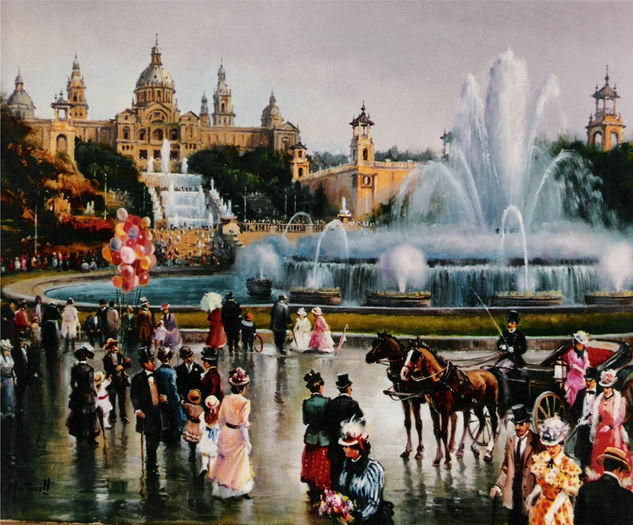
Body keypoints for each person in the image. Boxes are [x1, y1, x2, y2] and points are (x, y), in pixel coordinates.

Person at [490, 404, 544, 525]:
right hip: (513, 492)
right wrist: (498, 487)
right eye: (515, 424)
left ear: (528, 425)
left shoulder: (537, 442)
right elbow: (506, 467)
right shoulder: (510, 440)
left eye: (520, 424)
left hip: (529, 494)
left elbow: (542, 473)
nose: (517, 427)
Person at [207, 367, 254, 499]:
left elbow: (221, 419)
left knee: (225, 460)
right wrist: (247, 442)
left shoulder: (226, 399)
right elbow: (243, 424)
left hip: (226, 432)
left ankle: (224, 488)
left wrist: (223, 432)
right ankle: (237, 489)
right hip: (238, 433)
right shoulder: (245, 402)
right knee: (239, 462)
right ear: (243, 388)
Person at [526, 415, 581, 525]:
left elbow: (564, 493)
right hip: (543, 506)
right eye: (547, 446)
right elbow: (544, 483)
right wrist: (532, 495)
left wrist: (551, 512)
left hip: (558, 508)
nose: (550, 449)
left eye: (553, 445)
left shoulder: (567, 465)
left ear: (560, 443)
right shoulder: (544, 458)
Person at [337, 419, 394, 524]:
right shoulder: (346, 465)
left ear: (356, 448)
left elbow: (374, 502)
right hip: (350, 517)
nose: (343, 449)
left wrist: (357, 518)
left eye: (346, 446)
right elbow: (342, 490)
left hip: (371, 520)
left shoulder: (373, 469)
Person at [587, 368, 632, 480]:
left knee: (614, 452)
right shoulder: (599, 399)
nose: (605, 390)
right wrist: (595, 425)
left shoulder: (619, 400)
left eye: (607, 387)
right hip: (601, 431)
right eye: (603, 387)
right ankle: (599, 477)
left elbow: (620, 418)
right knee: (598, 454)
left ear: (612, 387)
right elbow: (596, 416)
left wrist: (610, 427)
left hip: (613, 431)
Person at [574, 447, 633, 525]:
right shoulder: (627, 496)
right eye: (623, 472)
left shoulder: (585, 489)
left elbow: (578, 521)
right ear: (619, 470)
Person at [324, 373, 364, 486]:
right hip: (349, 447)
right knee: (349, 475)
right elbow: (361, 424)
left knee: (335, 476)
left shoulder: (331, 404)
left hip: (334, 447)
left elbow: (326, 425)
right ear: (348, 389)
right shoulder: (353, 404)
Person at [130, 347, 163, 475]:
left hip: (157, 412)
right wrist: (137, 409)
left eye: (153, 361)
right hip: (146, 413)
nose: (153, 363)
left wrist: (163, 397)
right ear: (145, 364)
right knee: (150, 437)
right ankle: (151, 463)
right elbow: (134, 396)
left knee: (158, 435)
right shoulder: (138, 379)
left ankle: (151, 457)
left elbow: (161, 390)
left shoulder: (157, 376)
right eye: (150, 362)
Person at [301, 369, 331, 496]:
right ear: (320, 387)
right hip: (323, 436)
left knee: (312, 459)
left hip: (312, 436)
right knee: (322, 461)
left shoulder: (306, 402)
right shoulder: (327, 401)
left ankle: (312, 481)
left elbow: (305, 421)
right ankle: (321, 483)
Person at [66, 344, 100, 445]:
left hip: (78, 395)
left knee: (78, 416)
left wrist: (76, 391)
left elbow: (72, 383)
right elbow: (91, 385)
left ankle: (79, 437)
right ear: (86, 357)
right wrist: (94, 393)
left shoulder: (74, 368)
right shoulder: (90, 369)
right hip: (88, 396)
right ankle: (91, 438)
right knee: (91, 416)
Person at [495, 310, 528, 409]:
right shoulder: (504, 333)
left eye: (512, 323)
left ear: (516, 324)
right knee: (496, 369)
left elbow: (523, 348)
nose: (509, 324)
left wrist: (514, 349)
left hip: (515, 360)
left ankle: (505, 393)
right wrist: (502, 346)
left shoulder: (520, 334)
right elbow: (498, 343)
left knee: (502, 371)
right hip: (505, 358)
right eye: (509, 322)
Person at [570, 367, 600, 473]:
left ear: (595, 380)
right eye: (586, 380)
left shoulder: (600, 394)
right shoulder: (581, 392)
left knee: (594, 453)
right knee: (582, 452)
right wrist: (578, 420)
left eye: (590, 380)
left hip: (595, 429)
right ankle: (583, 471)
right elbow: (574, 409)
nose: (588, 383)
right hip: (583, 428)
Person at [154, 347, 185, 445]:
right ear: (169, 359)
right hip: (172, 403)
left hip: (161, 403)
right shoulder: (172, 372)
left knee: (165, 423)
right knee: (175, 424)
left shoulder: (157, 372)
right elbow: (174, 389)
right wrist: (179, 400)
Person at [102, 338, 130, 425]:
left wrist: (123, 366)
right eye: (112, 346)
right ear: (109, 348)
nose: (114, 347)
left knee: (122, 400)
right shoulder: (106, 358)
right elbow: (107, 369)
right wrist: (115, 370)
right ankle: (112, 417)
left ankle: (124, 417)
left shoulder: (120, 355)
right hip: (112, 382)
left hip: (121, 381)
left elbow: (127, 364)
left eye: (115, 345)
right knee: (112, 400)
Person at [12, 331, 39, 413]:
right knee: (20, 391)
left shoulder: (27, 348)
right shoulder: (15, 350)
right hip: (20, 374)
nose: (22, 343)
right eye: (20, 341)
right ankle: (19, 407)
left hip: (29, 373)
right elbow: (14, 364)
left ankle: (33, 407)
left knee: (31, 390)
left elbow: (32, 360)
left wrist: (35, 371)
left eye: (23, 341)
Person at [564, 331, 590, 407]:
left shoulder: (585, 353)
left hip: (582, 377)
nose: (580, 346)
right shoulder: (571, 353)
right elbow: (572, 365)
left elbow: (586, 363)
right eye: (578, 344)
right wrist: (580, 370)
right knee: (575, 389)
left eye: (581, 344)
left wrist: (586, 367)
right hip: (574, 376)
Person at [199, 395, 221, 476]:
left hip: (206, 435)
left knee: (205, 452)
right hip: (216, 436)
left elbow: (201, 427)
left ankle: (204, 466)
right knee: (213, 453)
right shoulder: (219, 415)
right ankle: (212, 469)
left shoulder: (203, 415)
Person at [182, 389, 204, 462]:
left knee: (191, 441)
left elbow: (183, 405)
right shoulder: (200, 408)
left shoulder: (189, 406)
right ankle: (194, 453)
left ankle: (192, 453)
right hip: (197, 425)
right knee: (196, 438)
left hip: (190, 424)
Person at [1, 339, 17, 416]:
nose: (7, 352)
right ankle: (6, 411)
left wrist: (15, 378)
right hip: (3, 378)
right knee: (6, 395)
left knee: (11, 395)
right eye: (6, 350)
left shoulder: (9, 356)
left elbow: (12, 368)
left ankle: (11, 410)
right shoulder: (0, 358)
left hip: (10, 377)